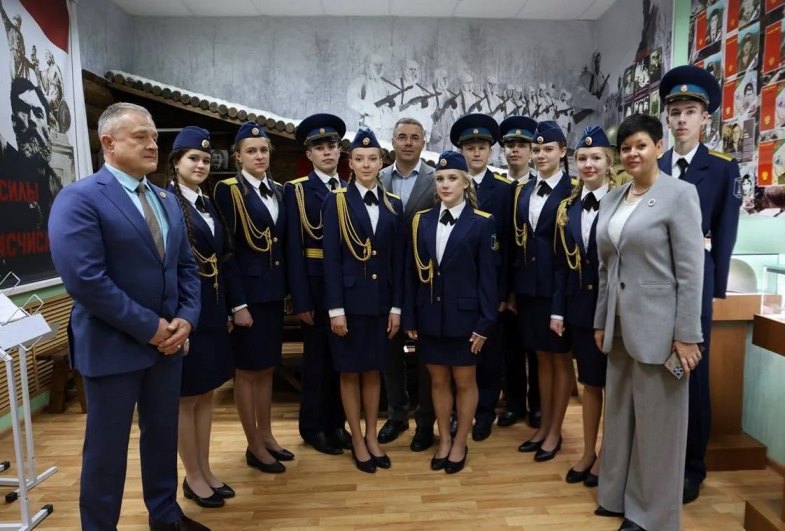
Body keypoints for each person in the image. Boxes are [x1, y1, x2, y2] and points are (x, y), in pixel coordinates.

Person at [48, 102, 206, 531]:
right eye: (141, 137)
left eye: (154, 137)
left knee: (162, 437)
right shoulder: (79, 198)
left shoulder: (165, 200)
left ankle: (165, 515)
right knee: (107, 449)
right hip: (113, 346)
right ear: (109, 142)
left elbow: (186, 268)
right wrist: (151, 328)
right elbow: (86, 281)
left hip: (167, 346)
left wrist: (187, 319)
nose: (153, 145)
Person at [593, 113, 704, 531]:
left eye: (641, 145)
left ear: (659, 146)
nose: (633, 153)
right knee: (620, 415)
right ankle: (616, 495)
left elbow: (691, 271)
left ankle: (651, 514)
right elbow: (606, 268)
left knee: (659, 426)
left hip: (661, 328)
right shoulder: (612, 198)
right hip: (620, 325)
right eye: (625, 148)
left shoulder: (679, 194)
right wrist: (601, 320)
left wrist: (688, 335)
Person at [658, 65, 742, 504]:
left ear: (705, 118)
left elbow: (724, 233)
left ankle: (692, 467)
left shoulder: (722, 168)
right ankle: (658, 458)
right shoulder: (654, 165)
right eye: (675, 112)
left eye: (690, 112)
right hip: (655, 281)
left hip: (695, 281)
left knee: (691, 371)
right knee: (656, 369)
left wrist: (715, 288)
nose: (681, 120)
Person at [403, 150, 498, 474]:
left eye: (452, 178)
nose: (445, 184)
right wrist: (410, 316)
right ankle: (443, 439)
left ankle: (459, 442)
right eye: (440, 179)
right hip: (430, 316)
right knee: (438, 381)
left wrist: (485, 323)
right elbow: (412, 273)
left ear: (465, 182)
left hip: (466, 319)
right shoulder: (422, 220)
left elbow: (489, 279)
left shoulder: (482, 222)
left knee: (465, 381)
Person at [322, 127, 404, 473]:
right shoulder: (336, 201)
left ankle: (372, 436)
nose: (366, 164)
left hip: (381, 303)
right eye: (359, 159)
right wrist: (335, 309)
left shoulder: (393, 204)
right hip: (349, 304)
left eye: (372, 158)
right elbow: (331, 259)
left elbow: (398, 261)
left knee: (373, 371)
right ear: (350, 164)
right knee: (349, 372)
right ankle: (356, 438)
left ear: (381, 162)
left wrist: (397, 306)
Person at [213, 122, 293, 474]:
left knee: (267, 368)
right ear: (237, 157)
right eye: (251, 151)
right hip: (248, 297)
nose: (259, 156)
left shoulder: (279, 190)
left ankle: (267, 435)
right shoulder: (228, 191)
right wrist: (238, 304)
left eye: (263, 150)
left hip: (273, 293)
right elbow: (227, 251)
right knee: (247, 371)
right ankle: (254, 445)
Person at [167, 127, 240, 509]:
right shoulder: (167, 203)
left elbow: (221, 259)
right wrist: (177, 319)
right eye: (193, 158)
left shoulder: (207, 203)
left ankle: (205, 469)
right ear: (176, 162)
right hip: (186, 314)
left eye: (206, 160)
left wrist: (227, 308)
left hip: (212, 310)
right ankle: (192, 476)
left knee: (207, 393)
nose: (200, 165)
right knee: (186, 398)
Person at [553, 126, 616, 489]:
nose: (588, 164)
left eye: (596, 158)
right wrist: (558, 310)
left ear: (609, 162)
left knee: (616, 387)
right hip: (581, 308)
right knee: (590, 383)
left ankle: (610, 453)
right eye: (582, 158)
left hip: (617, 310)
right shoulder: (569, 208)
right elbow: (563, 264)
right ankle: (588, 451)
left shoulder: (625, 202)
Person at [285, 113, 351, 456]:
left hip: (346, 288)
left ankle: (337, 424)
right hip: (314, 286)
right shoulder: (296, 190)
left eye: (332, 145)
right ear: (309, 154)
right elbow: (293, 249)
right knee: (316, 362)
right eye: (319, 147)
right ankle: (313, 427)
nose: (327, 152)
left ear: (340, 151)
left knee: (342, 360)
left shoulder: (350, 188)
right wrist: (301, 299)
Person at [511, 120, 574, 463]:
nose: (540, 155)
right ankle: (544, 426)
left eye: (548, 149)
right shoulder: (524, 190)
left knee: (559, 359)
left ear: (562, 151)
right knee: (540, 358)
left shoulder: (572, 191)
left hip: (557, 290)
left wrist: (560, 302)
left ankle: (554, 431)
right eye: (536, 150)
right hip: (529, 289)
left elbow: (570, 251)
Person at [451, 113, 514, 442]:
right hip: (457, 287)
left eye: (482, 147)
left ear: (491, 151)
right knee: (458, 352)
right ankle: (458, 413)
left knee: (489, 353)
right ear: (461, 151)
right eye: (469, 147)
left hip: (490, 287)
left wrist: (503, 293)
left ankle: (485, 412)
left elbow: (509, 246)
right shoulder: (449, 185)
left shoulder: (503, 190)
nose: (475, 153)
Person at [378, 117, 438, 452]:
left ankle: (425, 422)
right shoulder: (378, 176)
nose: (408, 142)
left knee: (426, 352)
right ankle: (397, 414)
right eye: (402, 136)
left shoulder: (435, 178)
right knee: (390, 351)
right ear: (393, 141)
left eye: (415, 137)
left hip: (423, 277)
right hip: (386, 277)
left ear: (423, 143)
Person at [495, 116, 541, 431]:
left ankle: (537, 405)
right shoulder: (499, 186)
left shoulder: (538, 187)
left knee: (535, 349)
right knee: (510, 347)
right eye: (510, 144)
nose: (515, 150)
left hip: (533, 281)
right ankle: (513, 403)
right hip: (505, 279)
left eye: (522, 145)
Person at [0, 78, 62, 283]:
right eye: (24, 111)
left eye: (38, 113)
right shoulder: (6, 168)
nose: (32, 121)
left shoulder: (60, 191)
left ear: (49, 126)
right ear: (14, 122)